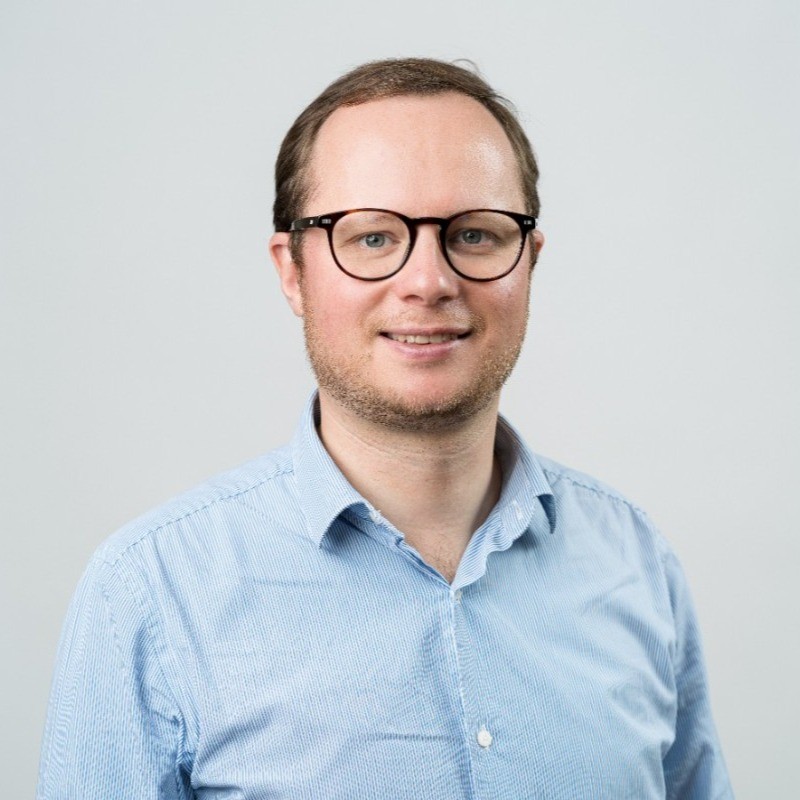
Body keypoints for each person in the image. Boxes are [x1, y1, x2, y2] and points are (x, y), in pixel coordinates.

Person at [37, 58, 733, 799]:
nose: (428, 281)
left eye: (475, 234)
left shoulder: (635, 562)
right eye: (371, 238)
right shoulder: (150, 592)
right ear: (292, 272)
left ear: (528, 261)